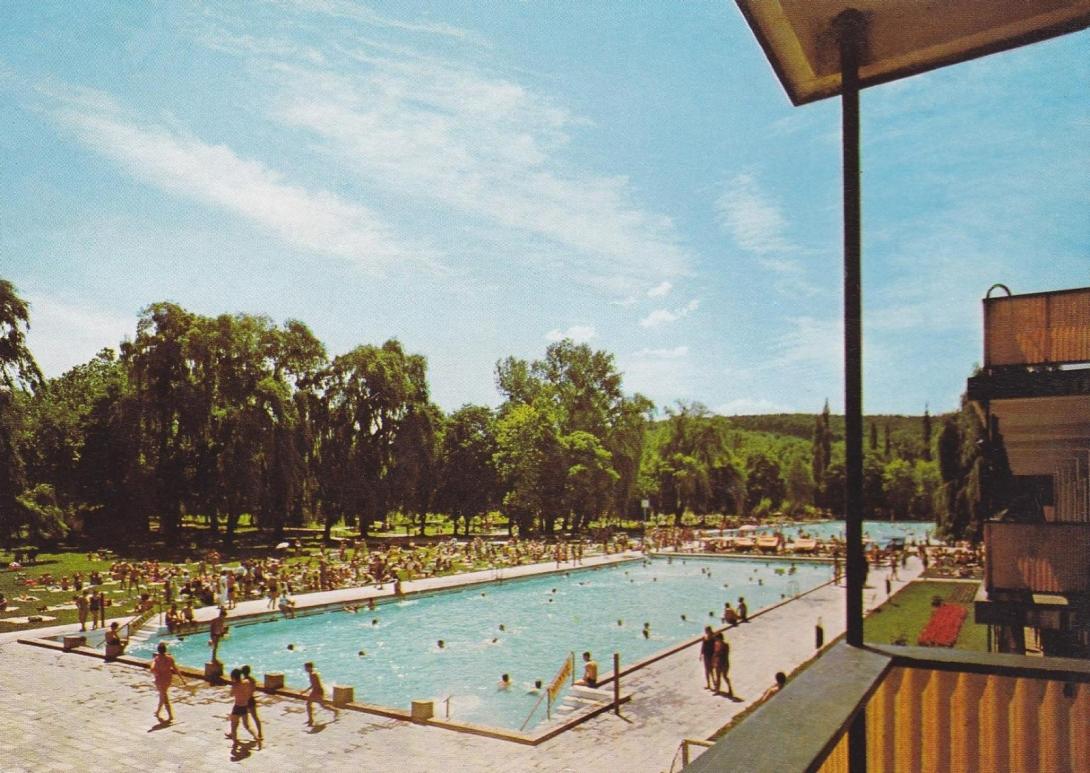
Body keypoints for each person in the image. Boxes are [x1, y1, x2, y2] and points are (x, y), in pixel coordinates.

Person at [151, 642, 186, 723]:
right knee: (163, 695)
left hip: (160, 680)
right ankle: (158, 711)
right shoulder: (170, 658)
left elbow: (152, 669)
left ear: (158, 650)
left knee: (164, 696)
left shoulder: (157, 659)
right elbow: (176, 669)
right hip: (167, 679)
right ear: (165, 650)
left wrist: (156, 673)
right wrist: (182, 679)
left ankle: (170, 716)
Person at [226, 668, 259, 744]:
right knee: (247, 726)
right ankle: (256, 737)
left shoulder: (235, 686)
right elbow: (251, 689)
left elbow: (231, 694)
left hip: (237, 707)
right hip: (244, 706)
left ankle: (235, 743)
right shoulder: (246, 682)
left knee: (234, 727)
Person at [304, 661, 337, 726]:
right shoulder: (311, 674)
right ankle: (311, 720)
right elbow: (313, 684)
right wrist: (306, 690)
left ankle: (335, 710)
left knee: (323, 706)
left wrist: (315, 693)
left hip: (317, 692)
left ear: (309, 667)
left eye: (306, 667)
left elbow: (317, 685)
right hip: (315, 691)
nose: (305, 669)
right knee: (308, 704)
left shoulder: (313, 674)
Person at [241, 664, 263, 741]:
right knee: (255, 717)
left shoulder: (243, 681)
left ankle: (232, 733)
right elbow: (253, 689)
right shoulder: (253, 680)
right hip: (251, 699)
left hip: (245, 701)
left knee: (236, 716)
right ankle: (260, 733)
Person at [713, 632, 733, 697]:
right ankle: (717, 690)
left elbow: (725, 654)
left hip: (724, 662)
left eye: (717, 638)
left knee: (725, 676)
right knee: (718, 677)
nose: (716, 640)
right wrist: (714, 661)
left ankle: (730, 689)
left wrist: (718, 654)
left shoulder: (725, 645)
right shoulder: (716, 644)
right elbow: (715, 654)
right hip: (718, 662)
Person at [700, 626, 717, 690]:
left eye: (706, 630)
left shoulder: (713, 638)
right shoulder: (704, 638)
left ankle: (714, 683)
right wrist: (701, 654)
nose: (705, 632)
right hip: (706, 656)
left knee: (711, 670)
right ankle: (709, 684)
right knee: (707, 670)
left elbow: (716, 646)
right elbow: (703, 646)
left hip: (711, 655)